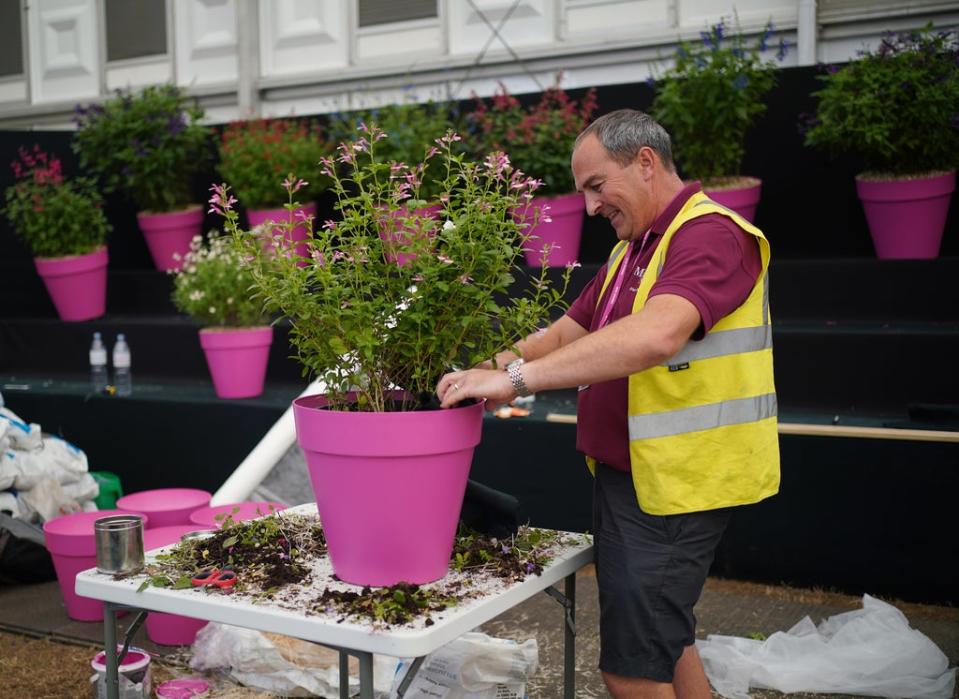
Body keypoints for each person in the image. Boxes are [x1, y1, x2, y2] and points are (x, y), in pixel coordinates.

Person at [436, 109, 780, 698]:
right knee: (670, 641)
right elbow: (568, 333)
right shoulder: (636, 247)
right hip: (641, 478)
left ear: (645, 162)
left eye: (597, 186)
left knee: (630, 672)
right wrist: (482, 371)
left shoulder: (711, 234)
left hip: (680, 486)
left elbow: (656, 336)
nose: (591, 207)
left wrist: (516, 380)